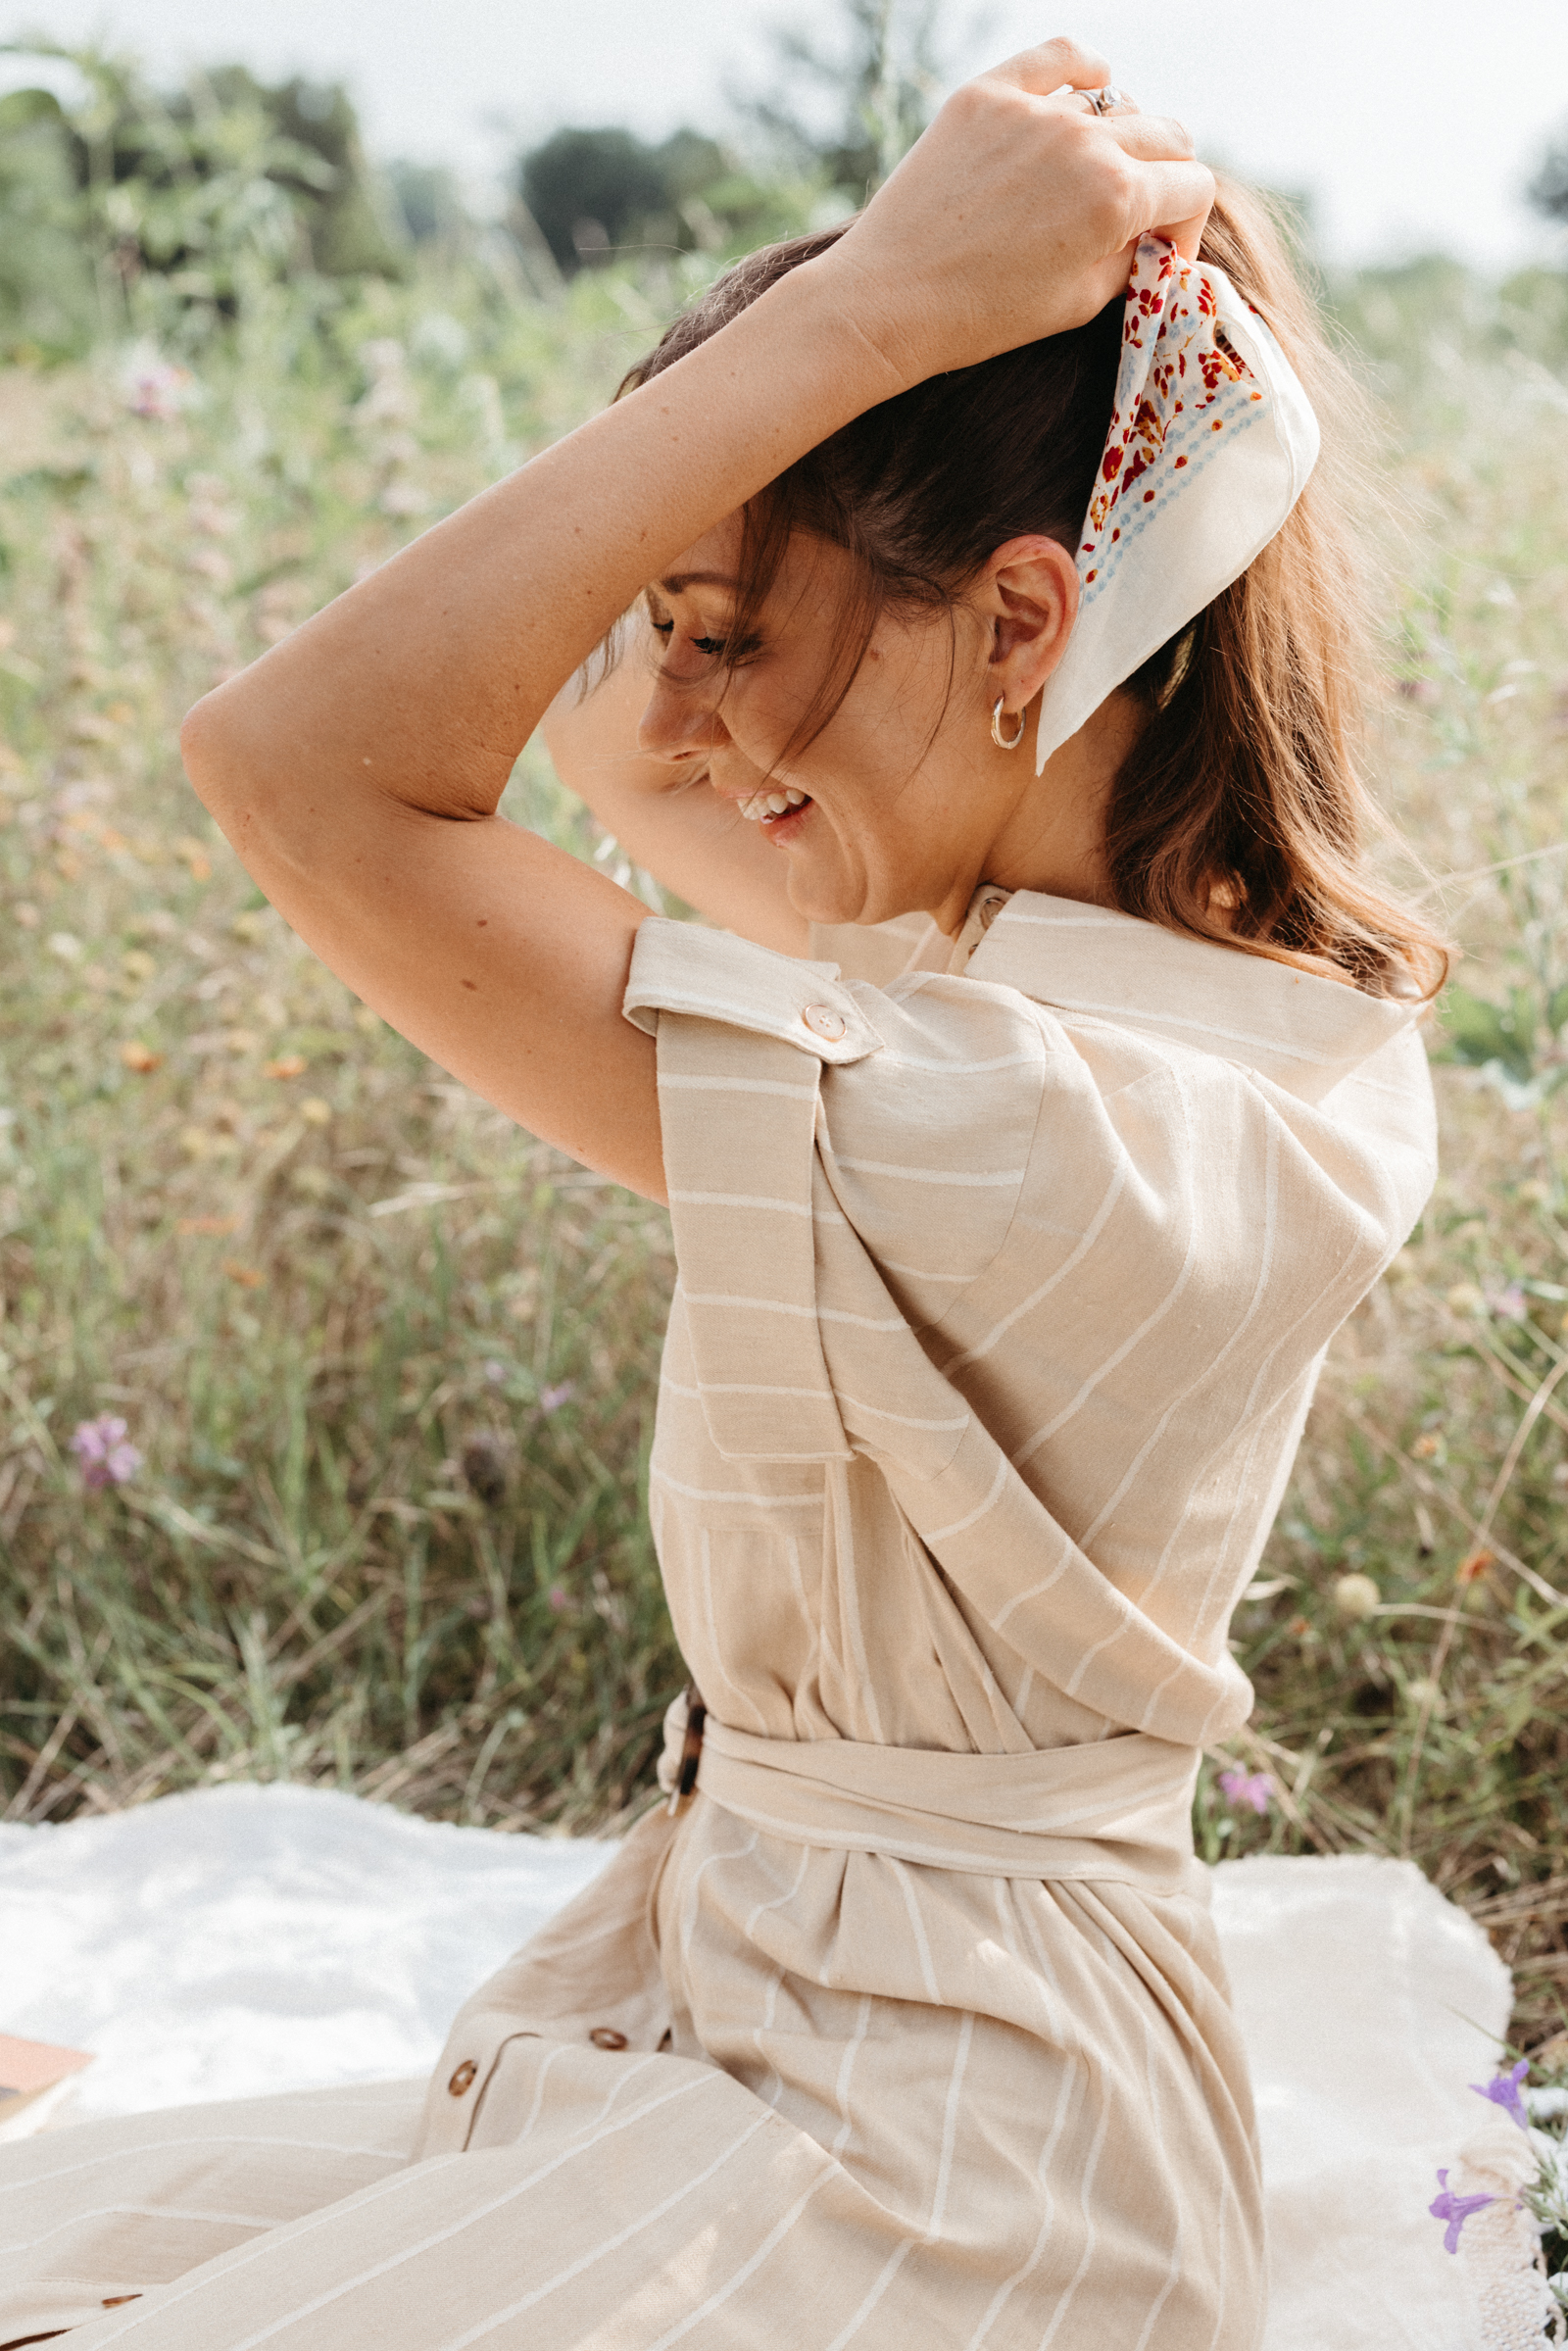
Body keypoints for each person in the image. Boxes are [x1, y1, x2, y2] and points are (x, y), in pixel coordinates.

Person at [0, 35, 1443, 2351]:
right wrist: (783, 498)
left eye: (725, 642)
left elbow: (306, 766)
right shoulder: (1217, 1043)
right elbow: (616, 777)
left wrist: (875, 309)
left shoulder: (1001, 1118)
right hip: (843, 2046)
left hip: (936, 2173)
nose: (676, 726)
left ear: (1015, 629)